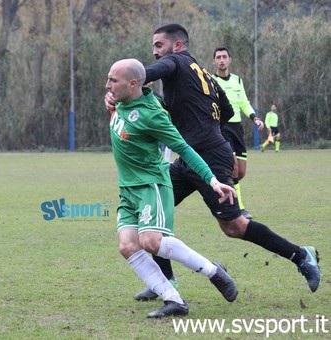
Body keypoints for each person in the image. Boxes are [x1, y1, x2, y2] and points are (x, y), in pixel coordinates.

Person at [105, 24, 320, 301]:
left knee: (235, 227)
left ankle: (301, 256)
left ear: (178, 45)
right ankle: (165, 282)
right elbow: (228, 110)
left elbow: (146, 74)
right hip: (192, 156)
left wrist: (125, 82)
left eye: (159, 45)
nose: (156, 52)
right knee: (152, 220)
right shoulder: (203, 73)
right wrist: (202, 125)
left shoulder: (176, 61)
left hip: (209, 156)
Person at [106, 58, 238, 318]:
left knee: (151, 242)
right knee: (127, 246)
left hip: (151, 185)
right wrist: (110, 101)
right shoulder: (121, 99)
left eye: (113, 81)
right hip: (128, 189)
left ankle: (213, 271)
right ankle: (173, 299)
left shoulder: (152, 115)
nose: (107, 85)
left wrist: (212, 180)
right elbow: (115, 107)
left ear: (133, 84)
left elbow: (184, 149)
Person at [212, 47, 264, 220]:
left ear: (230, 60)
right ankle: (239, 208)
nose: (221, 60)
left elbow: (243, 102)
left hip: (237, 128)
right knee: (233, 167)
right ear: (214, 62)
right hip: (222, 128)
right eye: (218, 57)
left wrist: (255, 118)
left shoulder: (237, 80)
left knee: (240, 172)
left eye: (224, 57)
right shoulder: (211, 81)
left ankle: (225, 194)